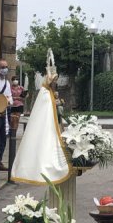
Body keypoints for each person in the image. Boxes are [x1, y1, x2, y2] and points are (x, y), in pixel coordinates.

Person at [12, 49, 71, 185]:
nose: (55, 83)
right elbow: (45, 108)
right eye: (54, 80)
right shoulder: (45, 93)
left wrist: (58, 103)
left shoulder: (50, 91)